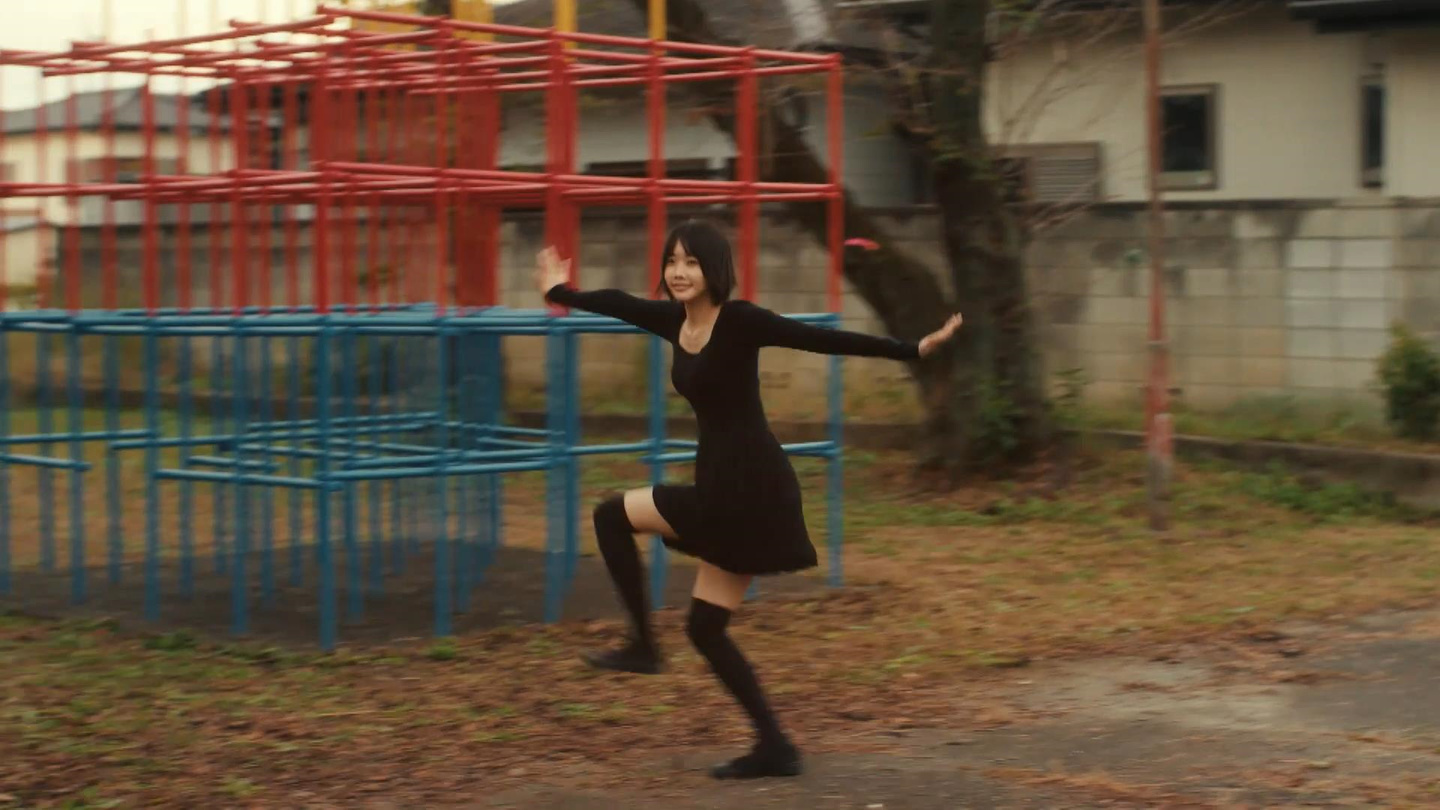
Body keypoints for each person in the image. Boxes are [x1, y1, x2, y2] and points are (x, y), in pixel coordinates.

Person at [534, 220, 962, 780]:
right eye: (672, 261)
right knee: (704, 629)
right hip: (721, 488)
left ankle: (643, 647)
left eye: (691, 262)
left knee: (612, 516)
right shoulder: (674, 321)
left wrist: (912, 349)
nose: (679, 272)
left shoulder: (740, 321)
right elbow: (618, 303)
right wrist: (560, 292)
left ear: (714, 269)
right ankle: (774, 747)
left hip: (752, 490)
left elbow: (821, 339)